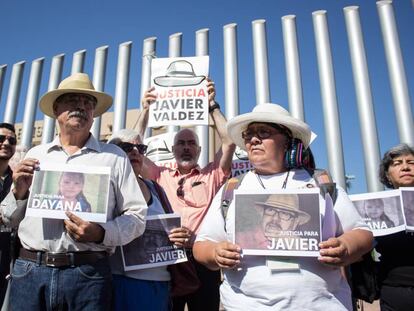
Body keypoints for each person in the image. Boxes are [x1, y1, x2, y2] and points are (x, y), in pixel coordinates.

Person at [193, 103, 373, 310]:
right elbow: (202, 245)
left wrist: (346, 247)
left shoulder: (321, 182)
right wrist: (215, 252)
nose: (253, 139)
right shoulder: (232, 188)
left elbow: (363, 234)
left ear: (288, 141)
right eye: (248, 134)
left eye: (264, 132)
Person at [0, 73, 148, 310]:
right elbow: (9, 218)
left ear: (93, 113)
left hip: (87, 274)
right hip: (29, 271)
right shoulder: (35, 155)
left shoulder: (114, 157)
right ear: (56, 109)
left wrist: (100, 233)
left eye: (87, 102)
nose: (81, 106)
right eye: (72, 100)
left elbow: (137, 217)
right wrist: (19, 192)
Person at [138, 79, 236, 311]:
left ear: (199, 150)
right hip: (167, 258)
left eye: (191, 143)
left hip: (202, 259)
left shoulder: (213, 174)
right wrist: (145, 110)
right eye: (180, 143)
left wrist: (212, 106)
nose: (186, 147)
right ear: (172, 150)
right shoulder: (159, 174)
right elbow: (132, 147)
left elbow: (230, 141)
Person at [108, 129, 190, 311]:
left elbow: (169, 228)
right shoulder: (106, 187)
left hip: (160, 284)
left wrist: (179, 236)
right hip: (121, 284)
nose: (135, 151)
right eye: (127, 147)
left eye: (140, 148)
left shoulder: (156, 188)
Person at [376, 143, 414, 311]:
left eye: (411, 162)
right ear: (387, 175)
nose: (405, 167)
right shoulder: (377, 207)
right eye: (397, 163)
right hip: (395, 290)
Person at [236, 194, 311, 250]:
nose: (275, 218)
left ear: (295, 223)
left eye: (285, 213)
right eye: (271, 210)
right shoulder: (240, 240)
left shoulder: (302, 245)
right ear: (262, 214)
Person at [0, 123, 17, 307]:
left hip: (7, 259)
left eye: (11, 140)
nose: (6, 143)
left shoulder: (18, 181)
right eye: (1, 139)